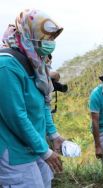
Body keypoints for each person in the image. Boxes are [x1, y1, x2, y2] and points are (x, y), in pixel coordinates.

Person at [0, 9, 64, 187]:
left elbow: (44, 102)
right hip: (14, 151)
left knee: (45, 181)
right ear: (30, 33)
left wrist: (53, 134)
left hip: (34, 145)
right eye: (47, 38)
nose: (51, 43)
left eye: (52, 39)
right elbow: (16, 116)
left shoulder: (35, 61)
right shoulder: (6, 66)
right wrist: (45, 151)